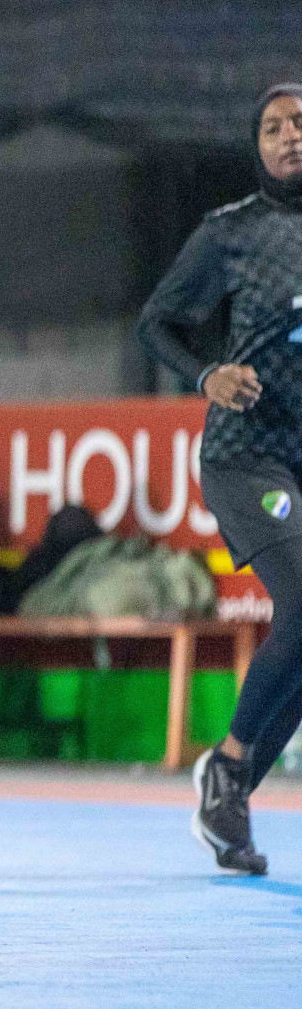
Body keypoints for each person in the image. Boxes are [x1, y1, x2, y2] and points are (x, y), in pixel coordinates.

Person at [136, 83, 302, 877]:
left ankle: (229, 788)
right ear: (256, 146)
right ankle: (230, 763)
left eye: (300, 122)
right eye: (272, 127)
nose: (289, 135)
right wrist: (206, 376)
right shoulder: (231, 232)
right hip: (245, 454)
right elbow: (155, 322)